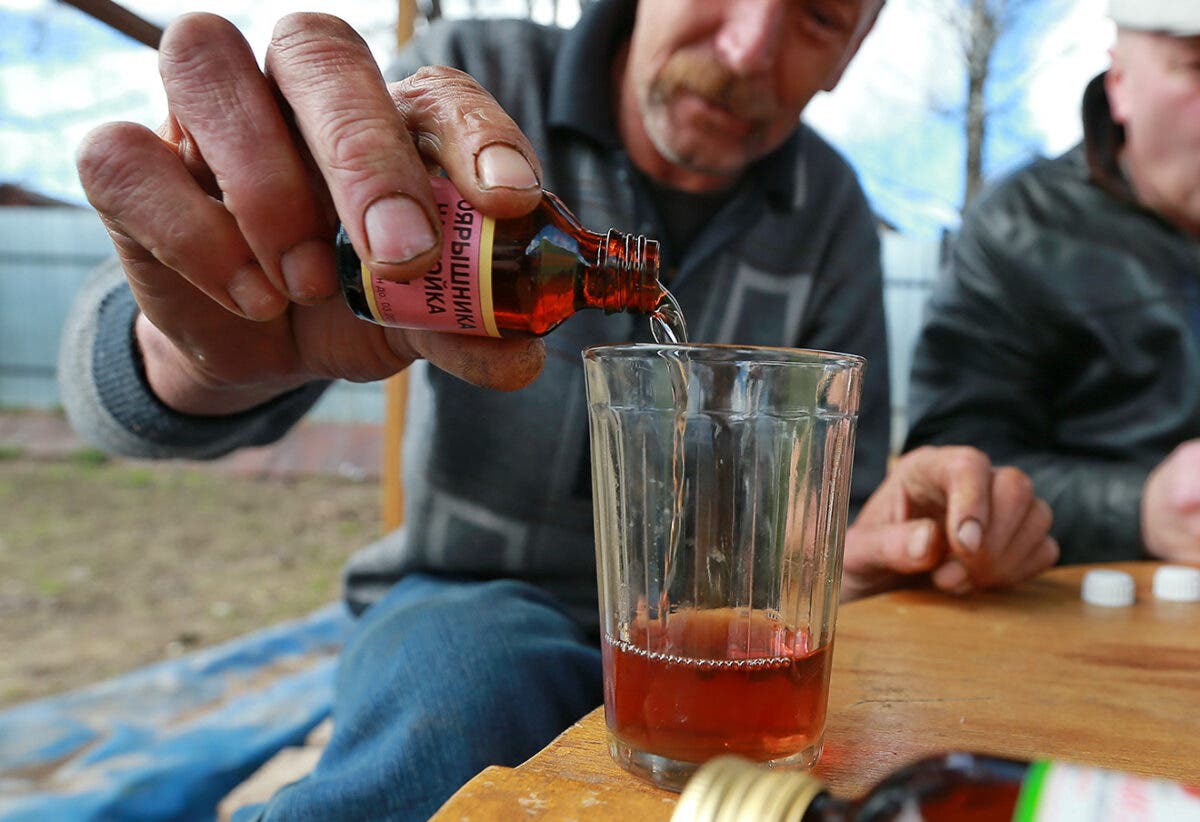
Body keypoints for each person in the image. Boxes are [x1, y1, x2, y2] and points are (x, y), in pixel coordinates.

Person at [59, 1, 1057, 818]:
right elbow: (109, 397)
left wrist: (888, 529)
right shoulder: (467, 84)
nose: (750, 48)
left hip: (726, 662)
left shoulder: (831, 207)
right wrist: (207, 338)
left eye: (818, 17)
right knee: (458, 697)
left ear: (853, 53)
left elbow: (828, 521)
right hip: (466, 598)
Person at [905, 0, 1200, 568]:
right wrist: (1139, 509)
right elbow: (948, 468)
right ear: (1121, 84)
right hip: (1073, 617)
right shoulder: (1020, 227)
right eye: (1198, 67)